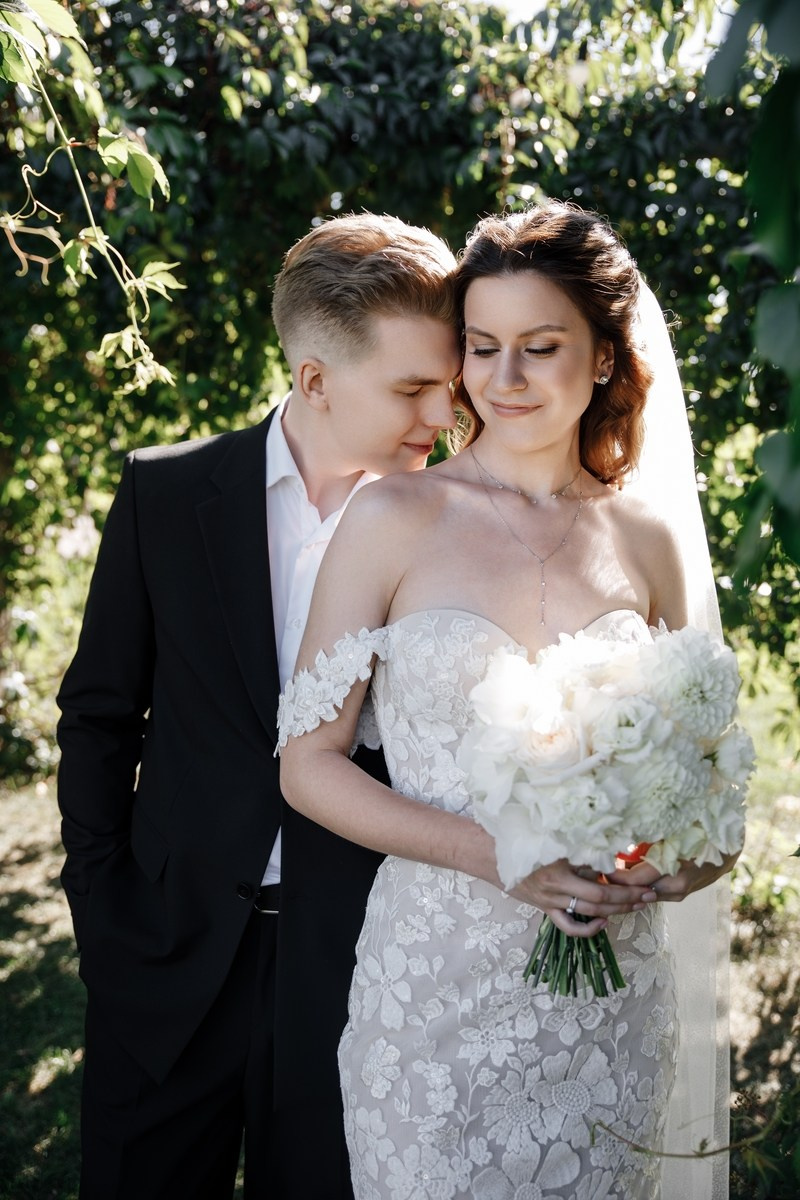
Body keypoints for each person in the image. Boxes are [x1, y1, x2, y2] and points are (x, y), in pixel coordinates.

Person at [278, 201, 737, 1199]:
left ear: (604, 357)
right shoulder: (393, 514)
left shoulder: (647, 538)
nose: (504, 378)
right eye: (482, 347)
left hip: (609, 1007)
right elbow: (307, 766)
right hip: (434, 998)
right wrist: (494, 855)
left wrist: (669, 867)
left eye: (540, 347)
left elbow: (711, 789)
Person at [56, 212, 462, 1200]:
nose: (442, 416)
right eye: (411, 388)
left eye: (447, 385)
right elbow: (99, 715)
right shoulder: (164, 493)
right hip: (165, 954)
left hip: (359, 967)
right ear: (315, 379)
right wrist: (103, 911)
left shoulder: (455, 531)